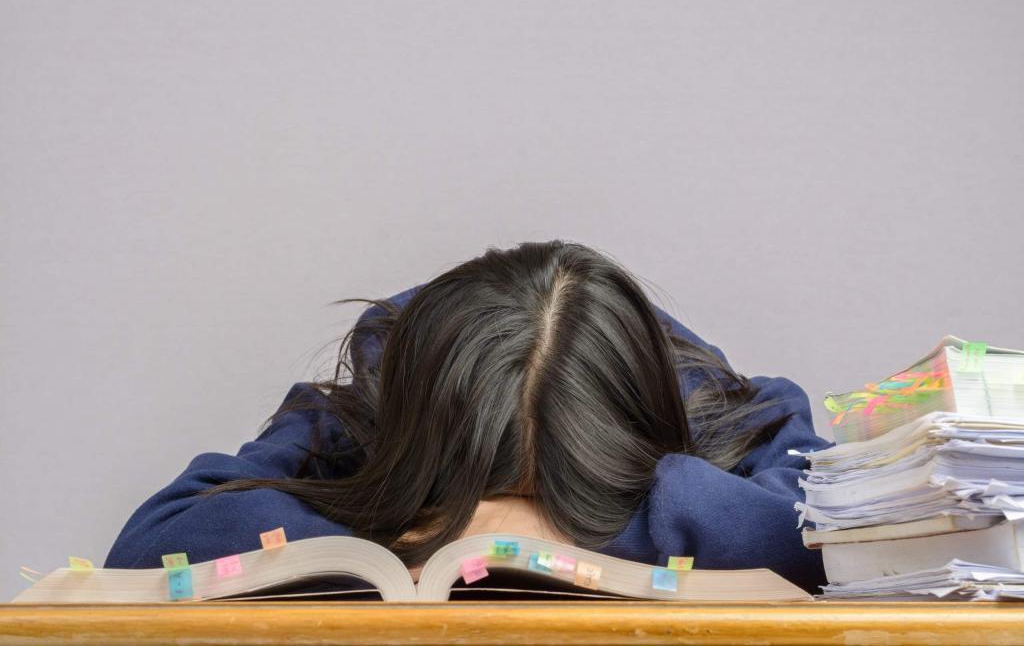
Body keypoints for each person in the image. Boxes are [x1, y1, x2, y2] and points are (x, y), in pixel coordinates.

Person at [103, 240, 831, 592]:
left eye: (559, 496)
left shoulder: (728, 408)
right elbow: (148, 548)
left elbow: (834, 543)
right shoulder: (359, 413)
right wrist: (413, 533)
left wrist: (548, 535)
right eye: (487, 491)